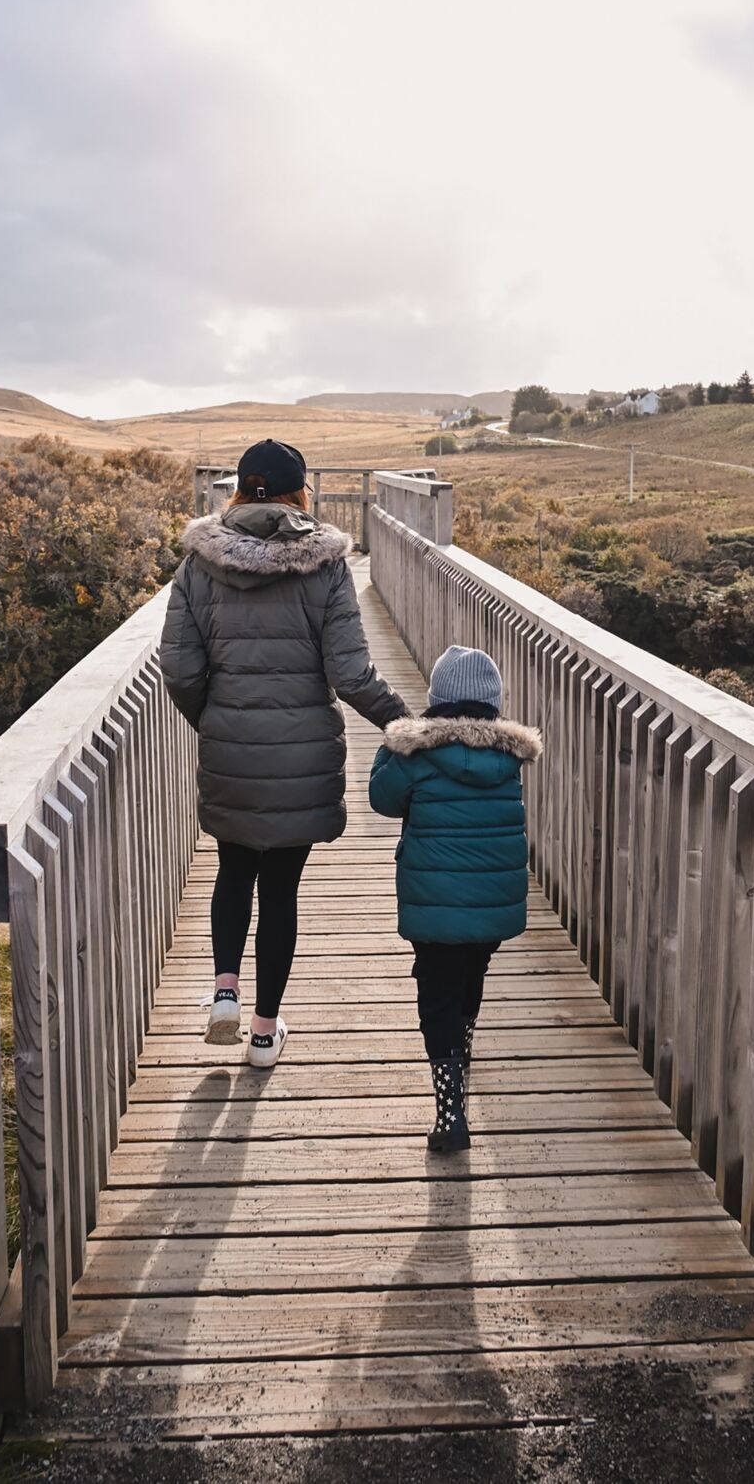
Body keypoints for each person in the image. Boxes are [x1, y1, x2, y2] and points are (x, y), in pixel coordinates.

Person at [160, 439, 408, 1067]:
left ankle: (223, 993)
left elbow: (181, 671)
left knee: (232, 868)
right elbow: (351, 676)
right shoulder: (325, 568)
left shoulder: (197, 566)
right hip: (301, 763)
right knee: (281, 891)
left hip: (231, 754)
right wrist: (404, 723)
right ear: (303, 494)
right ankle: (265, 1034)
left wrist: (215, 721)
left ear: (238, 490)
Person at [368, 645, 542, 1150]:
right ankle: (461, 1060)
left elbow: (382, 800)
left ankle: (450, 1112)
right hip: (492, 901)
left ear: (436, 699)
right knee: (469, 979)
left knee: (436, 993)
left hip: (434, 900)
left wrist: (391, 745)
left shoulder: (417, 754)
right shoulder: (509, 758)